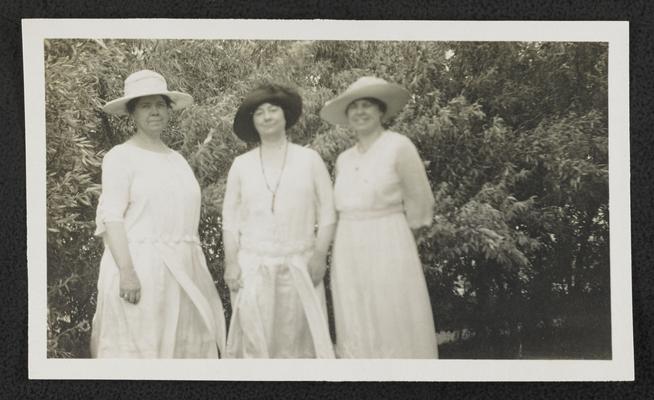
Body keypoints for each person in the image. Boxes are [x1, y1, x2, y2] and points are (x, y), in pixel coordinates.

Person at [91, 70, 226, 358]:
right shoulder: (120, 157)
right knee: (142, 350)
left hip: (184, 271)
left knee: (185, 354)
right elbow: (111, 217)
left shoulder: (177, 160)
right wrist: (127, 273)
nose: (154, 111)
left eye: (159, 104)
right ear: (132, 113)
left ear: (168, 110)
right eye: (144, 105)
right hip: (141, 270)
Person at [320, 76, 438, 358]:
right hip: (349, 244)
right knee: (355, 313)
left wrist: (401, 244)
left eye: (367, 106)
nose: (360, 112)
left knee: (392, 311)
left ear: (381, 111)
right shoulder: (344, 159)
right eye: (354, 107)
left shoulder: (398, 146)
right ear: (347, 116)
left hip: (389, 240)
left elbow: (421, 201)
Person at [222, 84, 336, 358]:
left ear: (285, 116)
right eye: (259, 112)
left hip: (301, 266)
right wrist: (230, 262)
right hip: (253, 267)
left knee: (300, 344)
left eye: (273, 110)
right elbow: (230, 219)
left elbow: (329, 211)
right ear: (253, 122)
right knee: (256, 343)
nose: (267, 116)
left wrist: (320, 256)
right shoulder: (241, 164)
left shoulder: (309, 159)